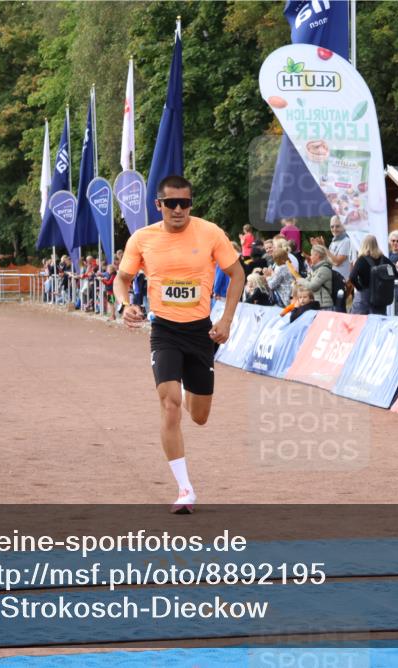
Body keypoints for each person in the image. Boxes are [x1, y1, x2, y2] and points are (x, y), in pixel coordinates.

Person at [114, 175, 244, 514]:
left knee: (198, 416)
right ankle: (185, 489)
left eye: (184, 203)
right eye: (170, 203)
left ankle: (189, 389)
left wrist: (226, 319)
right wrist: (124, 304)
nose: (177, 209)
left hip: (201, 333)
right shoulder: (142, 239)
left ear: (191, 204)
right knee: (169, 403)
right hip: (165, 331)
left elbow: (238, 274)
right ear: (158, 205)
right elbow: (122, 279)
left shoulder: (210, 232)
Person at [347, 234, 389, 315]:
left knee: (360, 323)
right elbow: (394, 273)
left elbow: (352, 277)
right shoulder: (384, 259)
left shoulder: (362, 260)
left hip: (364, 297)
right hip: (380, 297)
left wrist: (359, 288)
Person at [303, 244, 335, 309]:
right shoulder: (316, 269)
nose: (310, 257)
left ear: (317, 256)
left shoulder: (324, 269)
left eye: (311, 255)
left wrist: (300, 280)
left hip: (324, 306)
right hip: (318, 305)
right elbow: (307, 282)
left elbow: (312, 286)